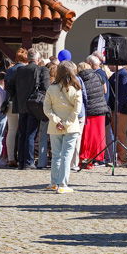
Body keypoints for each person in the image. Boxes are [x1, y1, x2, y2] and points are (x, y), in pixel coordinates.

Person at [44, 61, 84, 193]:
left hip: (55, 126)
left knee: (56, 155)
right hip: (71, 126)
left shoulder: (51, 88)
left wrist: (56, 121)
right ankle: (63, 184)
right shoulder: (76, 89)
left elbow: (47, 108)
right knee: (66, 155)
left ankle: (54, 182)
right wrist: (66, 123)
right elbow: (77, 111)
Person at [13, 48, 50, 170]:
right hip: (34, 104)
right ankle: (29, 162)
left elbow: (11, 86)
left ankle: (21, 162)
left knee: (22, 133)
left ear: (28, 59)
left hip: (22, 104)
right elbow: (46, 87)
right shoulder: (42, 69)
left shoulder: (20, 70)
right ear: (38, 59)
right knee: (31, 134)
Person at [78, 61, 109, 168]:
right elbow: (105, 90)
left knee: (87, 137)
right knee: (98, 136)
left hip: (89, 111)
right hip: (100, 110)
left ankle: (85, 159)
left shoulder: (80, 79)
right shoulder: (98, 76)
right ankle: (97, 158)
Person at [4, 47, 29, 167]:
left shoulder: (10, 70)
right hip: (21, 102)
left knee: (11, 130)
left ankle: (10, 158)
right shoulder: (25, 69)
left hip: (10, 101)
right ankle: (21, 157)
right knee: (22, 130)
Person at [109, 63, 127, 165]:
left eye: (109, 64)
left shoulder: (123, 74)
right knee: (117, 134)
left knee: (120, 134)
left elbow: (124, 94)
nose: (108, 66)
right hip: (118, 109)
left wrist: (118, 110)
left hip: (123, 109)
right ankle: (119, 157)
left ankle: (122, 159)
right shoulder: (118, 73)